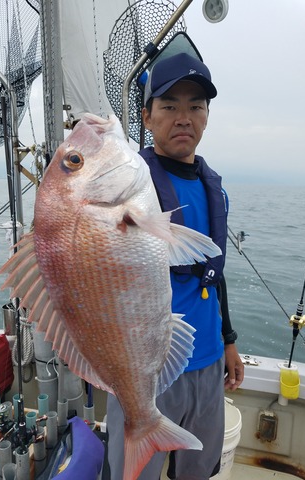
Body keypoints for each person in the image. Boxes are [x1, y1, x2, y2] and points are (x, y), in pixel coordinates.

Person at [106, 52, 244, 480]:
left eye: (196, 106)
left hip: (207, 365)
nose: (184, 117)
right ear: (146, 117)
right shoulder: (129, 186)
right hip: (145, 370)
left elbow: (213, 274)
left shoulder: (214, 189)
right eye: (169, 106)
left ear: (206, 116)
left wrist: (228, 341)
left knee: (197, 471)